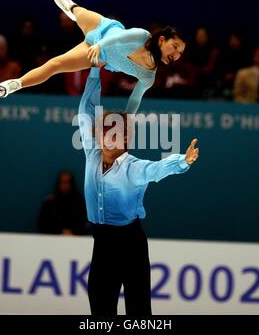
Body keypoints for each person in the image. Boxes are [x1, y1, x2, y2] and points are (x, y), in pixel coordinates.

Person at [78, 67, 199, 315]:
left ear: (125, 139)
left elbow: (157, 169)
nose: (107, 137)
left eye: (114, 132)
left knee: (139, 310)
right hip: (102, 243)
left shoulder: (134, 168)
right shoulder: (92, 153)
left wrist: (183, 161)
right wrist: (94, 71)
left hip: (130, 243)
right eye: (103, 131)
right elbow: (86, 111)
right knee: (100, 310)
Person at [0, 0, 186, 114]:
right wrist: (99, 44)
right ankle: (71, 9)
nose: (176, 55)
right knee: (75, 10)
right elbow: (118, 38)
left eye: (180, 53)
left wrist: (127, 116)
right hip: (101, 28)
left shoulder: (148, 77)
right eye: (175, 47)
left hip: (97, 55)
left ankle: (15, 84)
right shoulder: (143, 36)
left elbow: (135, 98)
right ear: (162, 40)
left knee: (55, 65)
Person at [38, 171, 88, 235]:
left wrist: (73, 232)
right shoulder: (50, 202)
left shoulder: (80, 202)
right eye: (63, 182)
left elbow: (85, 225)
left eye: (68, 182)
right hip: (53, 239)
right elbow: (42, 226)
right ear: (58, 184)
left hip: (76, 239)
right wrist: (60, 232)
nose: (66, 185)